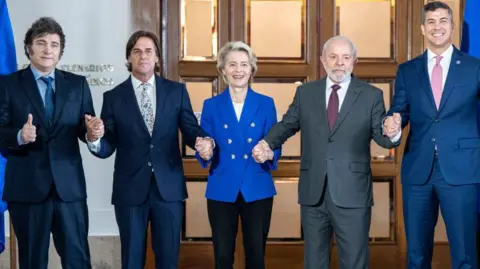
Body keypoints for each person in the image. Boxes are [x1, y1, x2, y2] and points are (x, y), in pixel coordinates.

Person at [252, 35, 399, 269]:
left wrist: (393, 132)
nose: (339, 62)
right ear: (322, 60)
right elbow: (288, 124)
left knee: (354, 262)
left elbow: (382, 138)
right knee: (314, 262)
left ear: (354, 62)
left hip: (353, 193)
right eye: (333, 56)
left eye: (345, 57)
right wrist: (266, 144)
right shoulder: (306, 93)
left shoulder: (371, 95)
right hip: (314, 193)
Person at [85, 30, 213, 269]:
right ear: (129, 59)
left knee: (168, 259)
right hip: (130, 190)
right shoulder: (113, 97)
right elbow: (107, 145)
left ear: (157, 58)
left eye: (148, 51)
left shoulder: (177, 92)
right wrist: (94, 137)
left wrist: (202, 141)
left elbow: (190, 129)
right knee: (132, 260)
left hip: (169, 188)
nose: (143, 56)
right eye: (137, 51)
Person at [383, 1, 480, 268]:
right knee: (416, 254)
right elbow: (399, 110)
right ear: (423, 29)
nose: (438, 27)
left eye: (443, 21)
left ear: (452, 27)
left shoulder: (474, 67)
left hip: (462, 169)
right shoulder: (407, 70)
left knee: (465, 255)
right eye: (431, 22)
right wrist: (392, 124)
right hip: (418, 170)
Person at [0, 17, 94, 268]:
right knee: (32, 261)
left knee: (78, 260)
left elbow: (85, 129)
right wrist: (19, 136)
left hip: (69, 190)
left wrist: (93, 134)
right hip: (27, 188)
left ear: (61, 50)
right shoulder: (8, 85)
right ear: (29, 48)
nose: (47, 49)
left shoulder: (77, 85)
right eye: (40, 43)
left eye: (54, 44)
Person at [195, 41, 281, 269]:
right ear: (223, 70)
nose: (238, 70)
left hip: (257, 185)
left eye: (244, 64)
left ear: (252, 69)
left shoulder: (266, 104)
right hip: (222, 186)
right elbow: (206, 145)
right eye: (232, 64)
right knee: (223, 257)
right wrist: (205, 149)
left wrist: (269, 153)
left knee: (256, 256)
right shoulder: (211, 105)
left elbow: (274, 141)